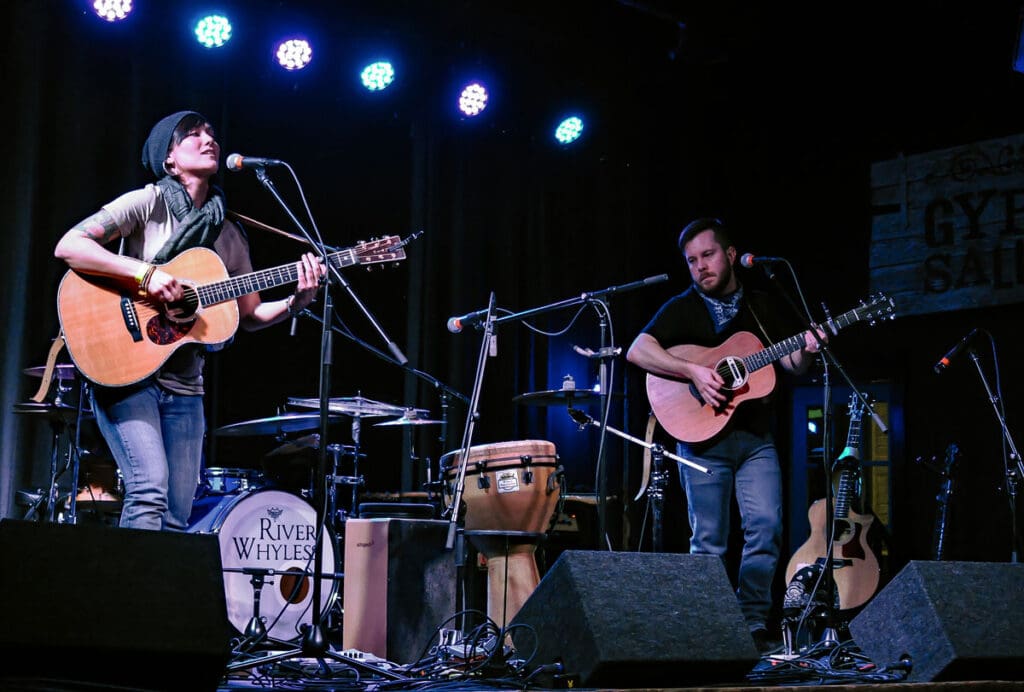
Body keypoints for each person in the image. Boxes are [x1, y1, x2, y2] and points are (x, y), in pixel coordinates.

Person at [54, 110, 326, 531]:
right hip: (127, 373)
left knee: (179, 513)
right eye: (193, 135)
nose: (208, 139)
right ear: (169, 158)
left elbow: (250, 314)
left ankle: (160, 579)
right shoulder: (148, 202)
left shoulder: (229, 234)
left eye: (211, 133)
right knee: (149, 491)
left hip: (185, 385)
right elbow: (70, 245)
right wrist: (145, 274)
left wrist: (297, 301)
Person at [626, 217, 824, 654]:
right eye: (691, 260)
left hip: (756, 440)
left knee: (766, 529)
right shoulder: (682, 307)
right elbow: (638, 350)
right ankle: (708, 629)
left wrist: (808, 349)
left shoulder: (763, 305)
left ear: (731, 255)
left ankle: (753, 624)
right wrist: (693, 371)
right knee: (709, 540)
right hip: (702, 442)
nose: (700, 266)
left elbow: (791, 365)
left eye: (708, 255)